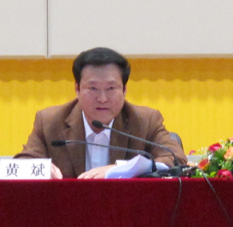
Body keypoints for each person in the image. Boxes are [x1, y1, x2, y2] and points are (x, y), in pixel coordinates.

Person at [14, 47, 187, 179]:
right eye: (93, 88)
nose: (102, 99)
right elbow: (20, 164)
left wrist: (120, 169)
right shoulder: (49, 121)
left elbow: (175, 158)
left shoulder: (145, 120)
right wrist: (41, 169)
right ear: (77, 89)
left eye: (111, 88)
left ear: (124, 90)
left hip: (126, 209)